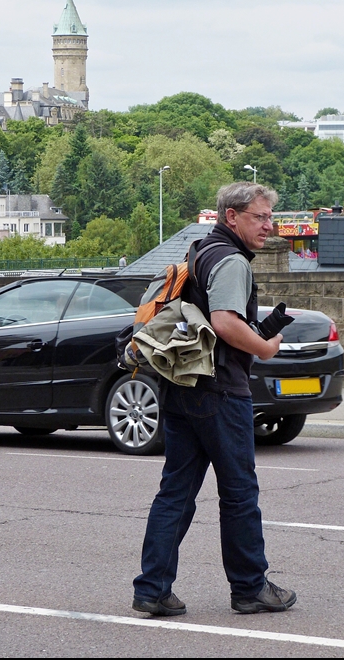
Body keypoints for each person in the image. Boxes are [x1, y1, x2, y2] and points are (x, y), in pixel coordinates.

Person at [132, 182, 297, 617]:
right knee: (239, 493)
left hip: (183, 386)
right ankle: (249, 588)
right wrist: (265, 347)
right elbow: (224, 323)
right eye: (259, 217)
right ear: (231, 217)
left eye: (269, 217)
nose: (268, 225)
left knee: (176, 492)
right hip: (221, 390)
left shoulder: (199, 252)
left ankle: (152, 588)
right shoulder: (231, 260)